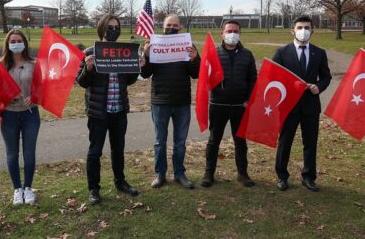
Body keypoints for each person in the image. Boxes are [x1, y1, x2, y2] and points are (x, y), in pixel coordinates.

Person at [77, 14, 142, 205]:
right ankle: (94, 189)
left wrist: (137, 68)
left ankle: (120, 182)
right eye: (110, 27)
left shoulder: (124, 51)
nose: (113, 31)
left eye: (116, 27)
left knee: (118, 149)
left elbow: (129, 81)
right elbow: (81, 82)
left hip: (119, 109)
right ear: (102, 29)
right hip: (98, 111)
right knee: (95, 151)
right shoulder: (91, 52)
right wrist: (88, 69)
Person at [272, 16, 331, 192]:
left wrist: (318, 87)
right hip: (288, 105)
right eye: (300, 27)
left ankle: (308, 177)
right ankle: (282, 176)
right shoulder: (282, 52)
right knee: (285, 141)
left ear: (312, 31)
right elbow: (273, 77)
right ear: (292, 30)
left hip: (311, 105)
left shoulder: (319, 53)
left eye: (307, 27)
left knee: (310, 142)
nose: (303, 31)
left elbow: (326, 76)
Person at [141, 14, 200, 189]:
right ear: (163, 26)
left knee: (180, 142)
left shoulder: (189, 46)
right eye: (168, 25)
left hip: (182, 100)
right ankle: (160, 174)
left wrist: (195, 59)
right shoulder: (154, 44)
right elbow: (145, 74)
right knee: (160, 140)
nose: (171, 28)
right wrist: (146, 55)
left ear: (180, 27)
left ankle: (179, 173)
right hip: (160, 100)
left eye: (175, 25)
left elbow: (196, 73)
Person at [201, 20, 258, 188]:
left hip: (240, 105)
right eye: (229, 31)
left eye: (235, 31)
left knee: (240, 141)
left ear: (240, 33)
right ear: (222, 34)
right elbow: (204, 76)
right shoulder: (213, 53)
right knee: (214, 140)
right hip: (218, 104)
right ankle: (209, 173)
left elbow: (253, 80)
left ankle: (242, 173)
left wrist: (249, 100)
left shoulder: (247, 54)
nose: (232, 34)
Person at [0, 30, 40, 205]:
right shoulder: (0, 65)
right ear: (8, 44)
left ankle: (28, 188)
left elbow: (42, 87)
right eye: (13, 41)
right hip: (8, 115)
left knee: (29, 153)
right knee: (12, 153)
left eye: (19, 40)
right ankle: (17, 189)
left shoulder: (34, 63)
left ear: (25, 43)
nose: (16, 43)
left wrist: (35, 96)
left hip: (30, 114)